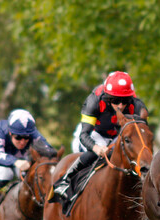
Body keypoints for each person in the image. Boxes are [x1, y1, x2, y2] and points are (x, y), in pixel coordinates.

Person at [52, 71, 149, 200]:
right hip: (95, 133)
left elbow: (141, 135)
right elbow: (84, 135)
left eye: (124, 100)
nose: (120, 105)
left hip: (118, 135)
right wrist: (96, 148)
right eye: (115, 100)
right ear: (108, 97)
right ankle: (65, 179)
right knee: (102, 150)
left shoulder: (137, 105)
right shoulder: (94, 101)